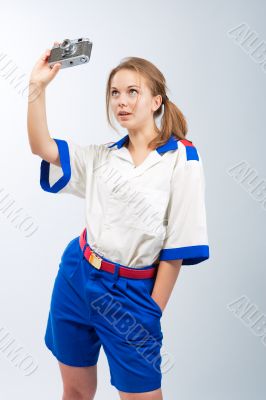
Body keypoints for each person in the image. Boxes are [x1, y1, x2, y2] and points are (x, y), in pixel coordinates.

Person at [27, 42, 210, 400]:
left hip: (132, 294)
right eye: (114, 93)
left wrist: (150, 312)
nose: (121, 101)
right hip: (77, 275)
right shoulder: (103, 157)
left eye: (132, 92)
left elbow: (176, 247)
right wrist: (37, 88)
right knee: (77, 392)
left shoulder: (180, 158)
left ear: (156, 100)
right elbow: (42, 147)